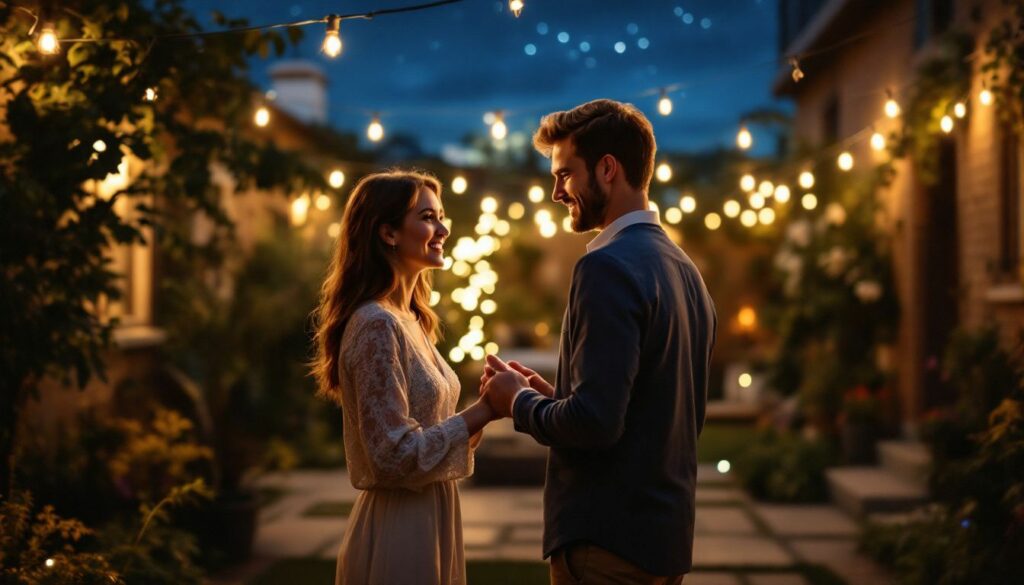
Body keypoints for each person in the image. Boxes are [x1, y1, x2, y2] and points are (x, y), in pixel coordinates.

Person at [481, 99, 717, 584]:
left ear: (607, 169)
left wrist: (517, 403)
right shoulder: (685, 271)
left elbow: (595, 425)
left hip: (606, 546)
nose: (555, 192)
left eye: (565, 174)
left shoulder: (605, 267)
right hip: (663, 542)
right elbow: (650, 411)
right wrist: (552, 397)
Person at [311, 170, 496, 585]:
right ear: (389, 233)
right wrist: (481, 412)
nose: (443, 229)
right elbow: (393, 457)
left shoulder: (412, 320)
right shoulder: (376, 324)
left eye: (442, 216)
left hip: (434, 517)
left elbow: (430, 435)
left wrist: (485, 407)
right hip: (402, 529)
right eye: (428, 217)